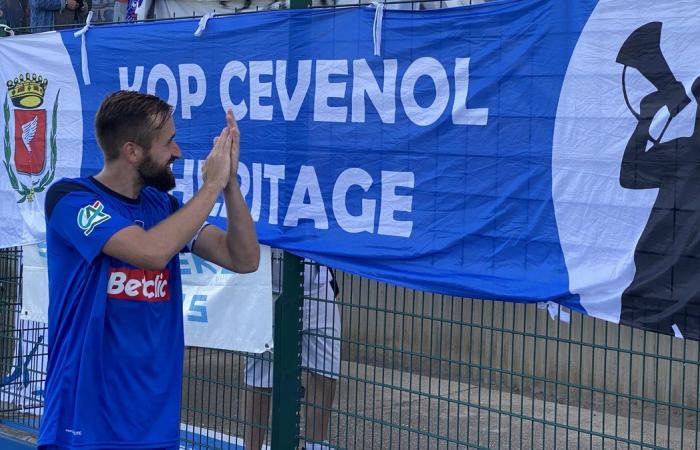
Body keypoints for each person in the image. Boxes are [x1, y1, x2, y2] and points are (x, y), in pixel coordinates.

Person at [38, 90, 260, 449]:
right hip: (84, 425)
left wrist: (229, 184)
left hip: (153, 426)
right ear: (132, 152)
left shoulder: (164, 207)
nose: (177, 152)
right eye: (168, 142)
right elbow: (150, 252)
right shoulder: (71, 199)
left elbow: (244, 258)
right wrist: (210, 186)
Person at [619, 79, 700, 339]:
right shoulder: (682, 151)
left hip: (664, 274)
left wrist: (646, 118)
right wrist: (646, 119)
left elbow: (630, 174)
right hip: (657, 274)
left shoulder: (682, 150)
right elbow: (630, 175)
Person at [244, 253, 341, 450]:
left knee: (326, 371)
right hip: (267, 286)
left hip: (318, 284)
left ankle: (316, 446)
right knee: (260, 379)